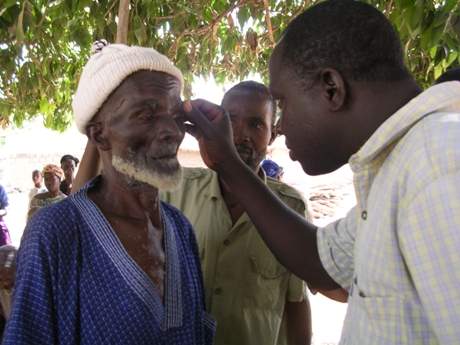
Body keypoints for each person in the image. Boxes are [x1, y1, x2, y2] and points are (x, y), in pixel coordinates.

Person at [182, 1, 460, 344]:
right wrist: (229, 163)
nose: (280, 126)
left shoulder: (438, 162)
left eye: (283, 103)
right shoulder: (399, 168)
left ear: (331, 88)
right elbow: (319, 258)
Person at [3, 41, 214, 345]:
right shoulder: (55, 233)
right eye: (146, 114)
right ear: (99, 133)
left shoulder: (180, 229)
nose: (173, 130)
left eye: (176, 114)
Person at [162, 81, 311, 345]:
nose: (240, 134)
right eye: (230, 121)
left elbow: (296, 301)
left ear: (273, 135)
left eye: (255, 124)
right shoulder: (176, 190)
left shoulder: (292, 209)